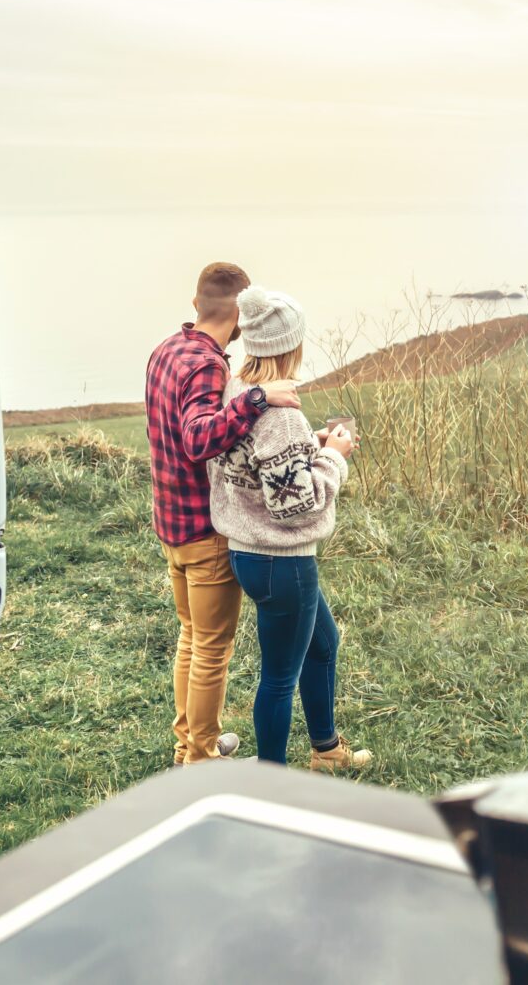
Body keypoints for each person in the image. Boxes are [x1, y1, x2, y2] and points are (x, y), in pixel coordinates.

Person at [145, 262, 301, 765]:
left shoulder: (166, 350)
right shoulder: (211, 365)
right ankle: (201, 758)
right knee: (212, 650)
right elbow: (196, 438)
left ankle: (189, 742)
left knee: (191, 638)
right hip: (203, 528)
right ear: (239, 315)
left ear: (196, 305)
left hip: (169, 522)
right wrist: (257, 397)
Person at [210, 286, 372, 770]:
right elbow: (296, 506)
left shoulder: (238, 392)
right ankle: (271, 780)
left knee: (324, 644)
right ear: (291, 345)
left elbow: (260, 468)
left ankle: (326, 750)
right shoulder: (282, 415)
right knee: (280, 677)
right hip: (282, 562)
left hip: (247, 551)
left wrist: (311, 446)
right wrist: (333, 456)